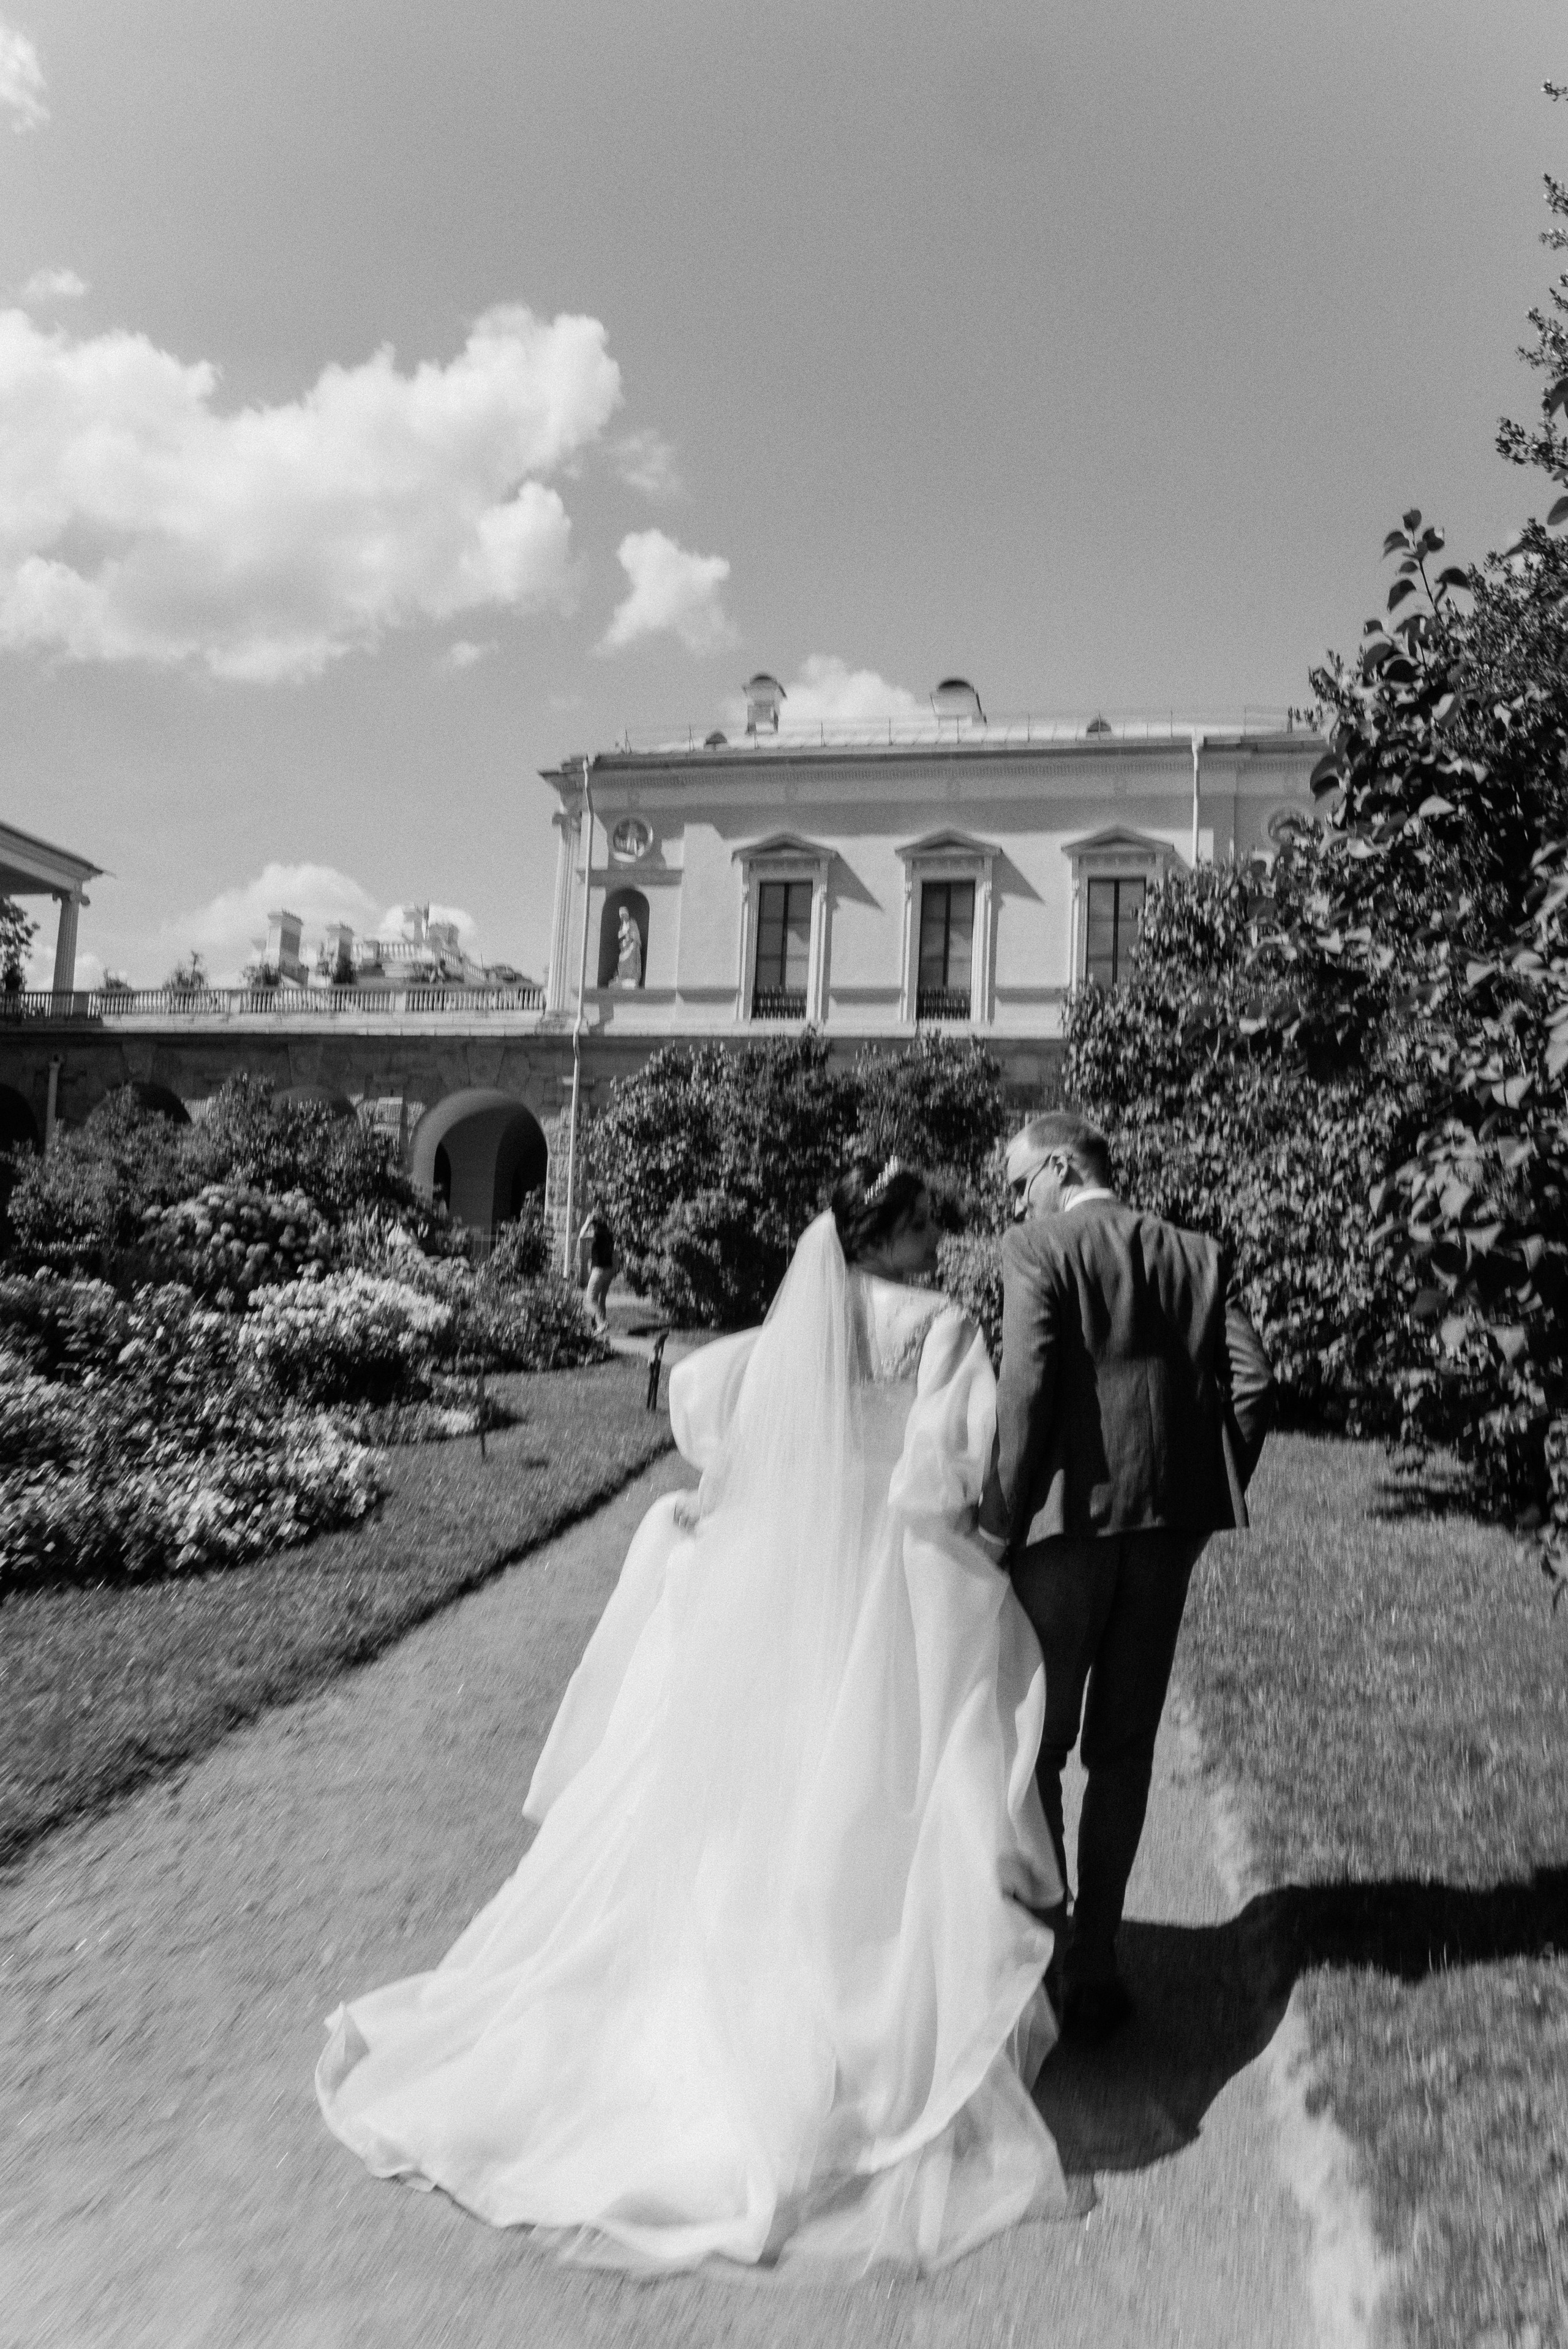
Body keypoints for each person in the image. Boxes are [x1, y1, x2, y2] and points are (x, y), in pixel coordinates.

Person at [317, 1158, 1071, 2272]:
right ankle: (850, 2030)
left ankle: (729, 1998)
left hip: (779, 1579)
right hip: (882, 1583)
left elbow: (718, 1415)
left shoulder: (789, 1329)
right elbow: (952, 1466)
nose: (933, 1237)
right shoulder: (940, 1324)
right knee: (873, 1786)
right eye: (923, 1223)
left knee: (748, 1790)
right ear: (894, 1231)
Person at [979, 1109, 1275, 2046]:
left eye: (1019, 1181)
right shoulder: (1196, 1249)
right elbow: (1254, 1384)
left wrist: (999, 1520)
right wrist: (1198, 1491)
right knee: (1125, 1748)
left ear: (1062, 1168)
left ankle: (1048, 1952)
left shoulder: (1037, 1248)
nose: (1013, 1200)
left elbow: (1024, 1389)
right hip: (1164, 1532)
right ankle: (1097, 1959)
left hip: (1064, 1528)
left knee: (1037, 1746)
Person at [577, 1204, 614, 1330]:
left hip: (599, 1270)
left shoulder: (596, 1233)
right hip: (609, 1270)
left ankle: (602, 1323)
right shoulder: (609, 1234)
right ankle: (601, 1327)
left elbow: (581, 1236)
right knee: (601, 1300)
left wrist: (587, 1221)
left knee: (590, 1299)